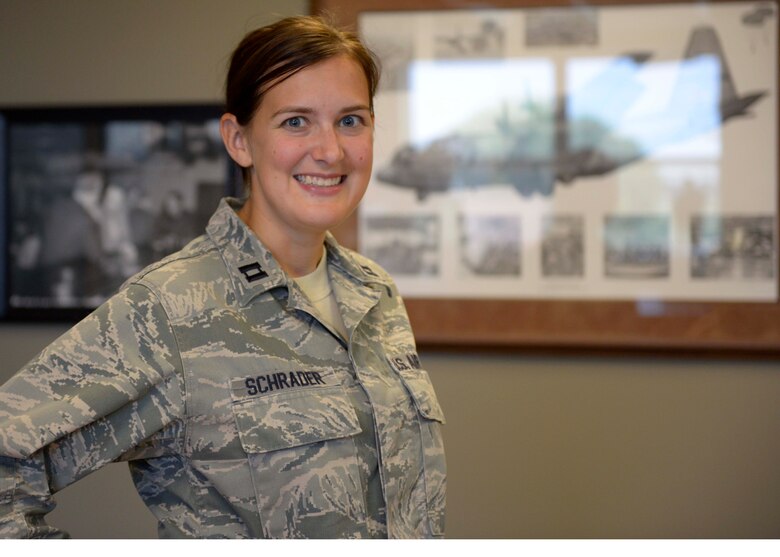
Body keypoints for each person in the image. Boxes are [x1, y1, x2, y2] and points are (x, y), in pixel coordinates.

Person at [0, 15, 446, 539]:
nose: (330, 150)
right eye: (295, 122)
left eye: (351, 120)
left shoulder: (375, 292)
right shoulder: (170, 307)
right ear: (239, 140)